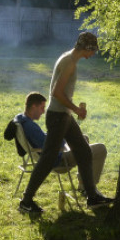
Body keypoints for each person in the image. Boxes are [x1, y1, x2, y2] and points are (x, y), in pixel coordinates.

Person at [18, 32, 113, 215]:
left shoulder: (68, 57)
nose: (93, 54)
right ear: (87, 48)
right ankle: (26, 201)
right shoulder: (69, 62)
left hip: (64, 116)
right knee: (47, 160)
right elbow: (57, 93)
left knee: (84, 151)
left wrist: (72, 111)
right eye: (93, 51)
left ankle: (92, 197)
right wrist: (77, 109)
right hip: (58, 116)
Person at [15, 91, 108, 189]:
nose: (43, 111)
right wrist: (64, 133)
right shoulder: (30, 127)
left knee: (83, 138)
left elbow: (45, 139)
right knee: (101, 148)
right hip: (59, 160)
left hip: (51, 155)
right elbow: (50, 144)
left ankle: (83, 183)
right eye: (42, 108)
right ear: (34, 107)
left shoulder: (23, 120)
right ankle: (89, 188)